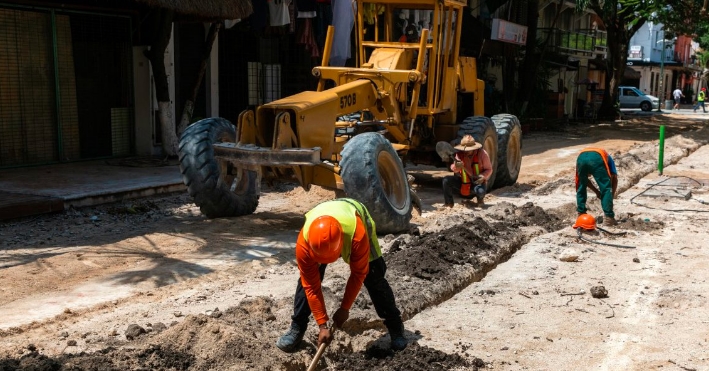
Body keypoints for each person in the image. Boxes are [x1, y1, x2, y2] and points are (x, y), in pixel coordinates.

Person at [275, 198, 407, 352]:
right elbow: (311, 286)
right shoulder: (304, 244)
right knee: (306, 282)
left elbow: (358, 274)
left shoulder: (358, 235)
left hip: (356, 215)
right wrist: (322, 324)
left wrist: (344, 309)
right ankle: (297, 328)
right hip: (322, 221)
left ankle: (395, 327)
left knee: (373, 275)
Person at [442, 134, 492, 208]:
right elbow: (454, 169)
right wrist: (456, 166)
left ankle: (480, 200)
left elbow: (489, 169)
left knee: (480, 192)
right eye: (464, 150)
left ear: (473, 148)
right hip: (464, 181)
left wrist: (482, 176)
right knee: (446, 180)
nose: (466, 152)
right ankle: (449, 203)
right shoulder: (459, 155)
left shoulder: (482, 154)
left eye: (468, 150)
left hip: (477, 182)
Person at [575, 148, 618, 226]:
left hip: (581, 157)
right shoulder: (609, 159)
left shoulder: (602, 156)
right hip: (597, 158)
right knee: (606, 188)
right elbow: (614, 179)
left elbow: (585, 181)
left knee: (581, 186)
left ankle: (581, 214)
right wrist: (610, 197)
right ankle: (608, 218)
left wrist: (597, 192)